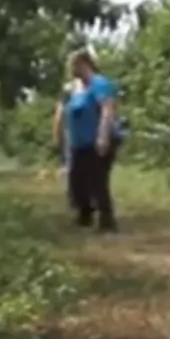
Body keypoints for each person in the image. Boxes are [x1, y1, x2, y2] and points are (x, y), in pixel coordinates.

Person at [53, 50, 122, 232]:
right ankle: (85, 215)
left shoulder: (99, 84)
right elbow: (64, 112)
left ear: (84, 64)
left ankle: (107, 220)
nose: (71, 70)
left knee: (97, 181)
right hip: (79, 143)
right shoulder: (74, 88)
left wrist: (102, 136)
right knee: (76, 181)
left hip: (97, 139)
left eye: (73, 65)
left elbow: (107, 109)